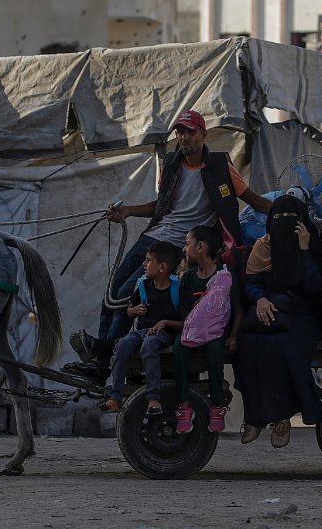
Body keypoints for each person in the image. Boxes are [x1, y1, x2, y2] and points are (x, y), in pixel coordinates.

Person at [68, 109, 272, 376]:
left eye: (190, 131)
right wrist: (128, 210)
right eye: (180, 132)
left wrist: (287, 212)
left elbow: (253, 199)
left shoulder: (221, 167)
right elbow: (161, 205)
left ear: (203, 134)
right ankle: (99, 355)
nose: (184, 137)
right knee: (113, 288)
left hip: (178, 245)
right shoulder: (172, 163)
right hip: (154, 236)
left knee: (128, 293)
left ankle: (104, 358)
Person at [233, 195, 322, 448]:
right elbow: (252, 283)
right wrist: (260, 300)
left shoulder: (312, 245)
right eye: (277, 218)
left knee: (284, 345)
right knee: (246, 342)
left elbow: (314, 287)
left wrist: (305, 249)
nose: (283, 222)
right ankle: (254, 417)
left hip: (304, 313)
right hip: (270, 307)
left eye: (290, 218)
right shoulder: (262, 247)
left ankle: (282, 418)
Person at [99, 241, 190, 413]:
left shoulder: (178, 291)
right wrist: (135, 310)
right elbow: (128, 311)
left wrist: (165, 323)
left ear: (162, 267)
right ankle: (115, 397)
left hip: (163, 334)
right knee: (123, 345)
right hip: (142, 331)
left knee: (149, 346)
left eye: (148, 260)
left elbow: (187, 323)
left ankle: (153, 398)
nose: (143, 265)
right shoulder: (144, 287)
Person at [172, 225, 236, 434]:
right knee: (179, 349)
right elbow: (184, 311)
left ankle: (217, 406)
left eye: (188, 244)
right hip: (192, 330)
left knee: (215, 350)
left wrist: (233, 335)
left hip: (217, 330)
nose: (184, 249)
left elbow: (238, 309)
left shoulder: (225, 274)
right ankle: (184, 406)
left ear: (200, 247)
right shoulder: (189, 278)